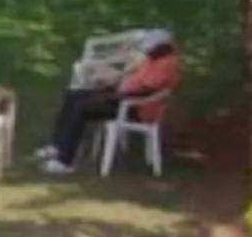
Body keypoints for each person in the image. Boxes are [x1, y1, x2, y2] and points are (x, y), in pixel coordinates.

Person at [39, 36, 180, 174]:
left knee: (82, 108)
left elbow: (145, 91)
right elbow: (129, 78)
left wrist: (111, 98)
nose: (146, 50)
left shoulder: (167, 63)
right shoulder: (150, 59)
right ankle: (57, 145)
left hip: (136, 108)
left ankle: (65, 161)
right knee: (74, 96)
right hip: (122, 99)